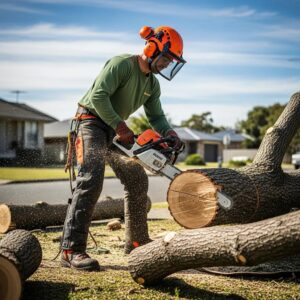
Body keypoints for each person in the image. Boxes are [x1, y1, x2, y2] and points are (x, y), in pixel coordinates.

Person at [60, 25, 186, 271]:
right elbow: (98, 96)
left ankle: (136, 242)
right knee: (91, 179)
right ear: (152, 48)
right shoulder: (122, 64)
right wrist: (120, 125)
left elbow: (157, 117)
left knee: (136, 177)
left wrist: (170, 133)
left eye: (171, 62)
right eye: (165, 58)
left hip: (115, 130)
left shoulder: (153, 85)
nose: (166, 65)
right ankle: (71, 250)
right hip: (91, 122)